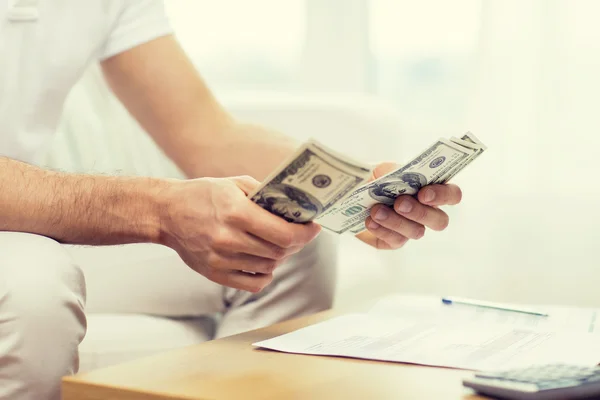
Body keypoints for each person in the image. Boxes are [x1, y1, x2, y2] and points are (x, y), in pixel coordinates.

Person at [0, 1, 463, 399]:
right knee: (35, 285)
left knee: (285, 238)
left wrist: (358, 193)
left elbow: (206, 133)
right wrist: (159, 209)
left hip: (39, 223)